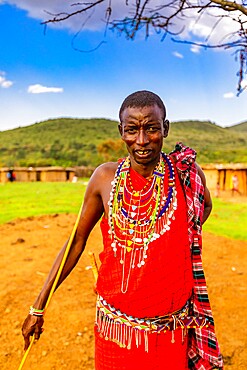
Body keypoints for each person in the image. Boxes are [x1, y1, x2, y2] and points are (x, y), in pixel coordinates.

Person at [22, 91, 223, 369]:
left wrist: (173, 239)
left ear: (165, 128)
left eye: (152, 128)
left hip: (170, 331)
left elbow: (205, 208)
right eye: (132, 130)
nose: (141, 141)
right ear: (121, 131)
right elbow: (77, 240)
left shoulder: (186, 174)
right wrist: (38, 306)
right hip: (116, 333)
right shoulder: (104, 178)